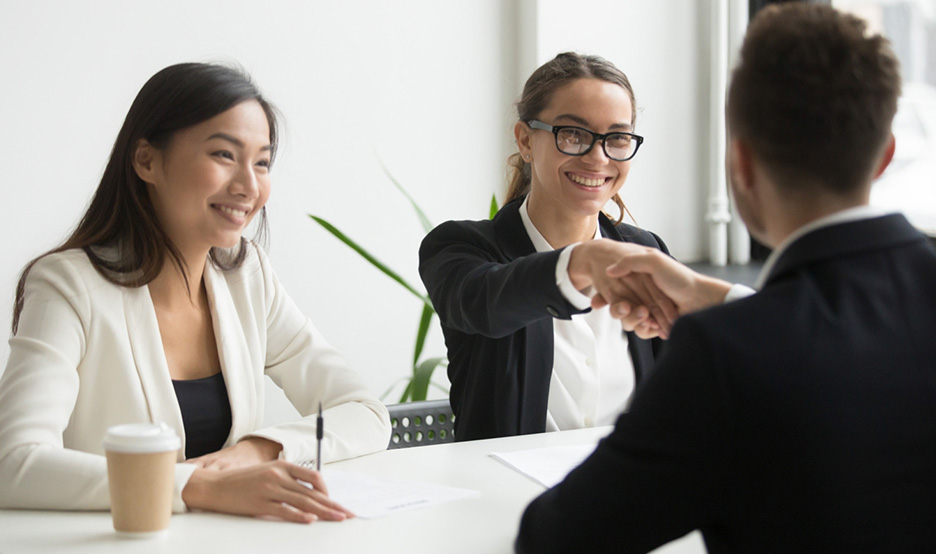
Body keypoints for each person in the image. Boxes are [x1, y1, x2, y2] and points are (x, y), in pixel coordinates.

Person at [517, 4, 936, 553]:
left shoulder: (728, 356)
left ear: (738, 164)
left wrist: (735, 318)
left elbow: (558, 538)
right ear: (885, 156)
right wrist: (728, 300)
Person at [0, 63, 391, 523]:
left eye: (262, 162)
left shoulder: (248, 277)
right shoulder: (68, 286)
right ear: (146, 160)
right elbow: (13, 463)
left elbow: (364, 412)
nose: (249, 186)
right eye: (224, 155)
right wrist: (201, 485)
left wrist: (259, 450)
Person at [420, 53, 698, 441]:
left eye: (616, 138)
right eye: (573, 134)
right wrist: (580, 263)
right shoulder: (462, 248)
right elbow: (485, 303)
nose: (597, 157)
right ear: (525, 140)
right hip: (507, 498)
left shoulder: (646, 249)